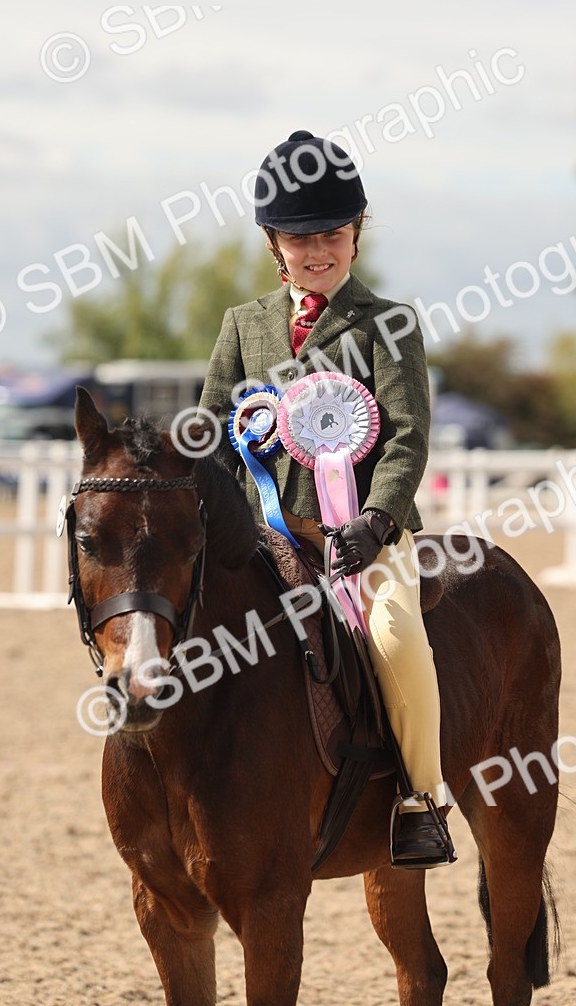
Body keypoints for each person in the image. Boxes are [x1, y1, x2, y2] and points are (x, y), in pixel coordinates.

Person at [199, 129, 454, 867]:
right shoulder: (242, 327)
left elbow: (407, 435)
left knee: (395, 637)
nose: (317, 253)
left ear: (356, 233)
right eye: (298, 239)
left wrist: (376, 522)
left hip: (363, 537)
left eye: (332, 235)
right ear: (273, 244)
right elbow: (215, 431)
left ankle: (422, 801)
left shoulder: (386, 325)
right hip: (265, 534)